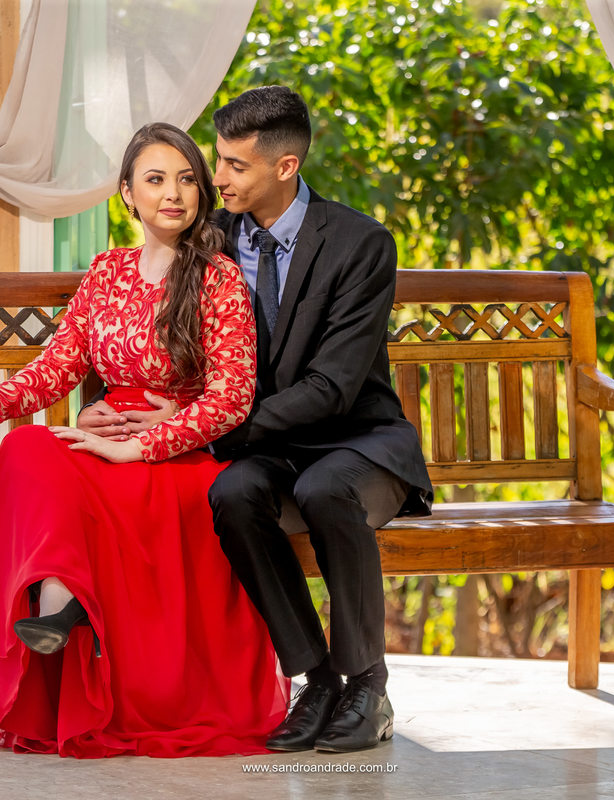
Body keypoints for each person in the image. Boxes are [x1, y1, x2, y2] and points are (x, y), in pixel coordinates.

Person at [78, 87, 433, 753]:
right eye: (217, 161)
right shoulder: (212, 241)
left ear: (285, 167)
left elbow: (332, 385)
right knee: (232, 493)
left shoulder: (360, 244)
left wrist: (213, 429)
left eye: (234, 166)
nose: (216, 179)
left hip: (359, 443)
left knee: (326, 489)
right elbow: (153, 331)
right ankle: (316, 677)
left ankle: (368, 684)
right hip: (265, 451)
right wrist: (118, 403)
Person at [0, 122, 288, 758]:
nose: (172, 194)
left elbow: (231, 399)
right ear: (127, 193)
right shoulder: (106, 272)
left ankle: (65, 608)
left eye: (185, 180)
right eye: (154, 180)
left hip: (176, 453)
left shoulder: (220, 279)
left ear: (202, 192)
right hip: (105, 443)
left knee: (82, 475)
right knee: (26, 448)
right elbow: (58, 366)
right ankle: (60, 603)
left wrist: (141, 444)